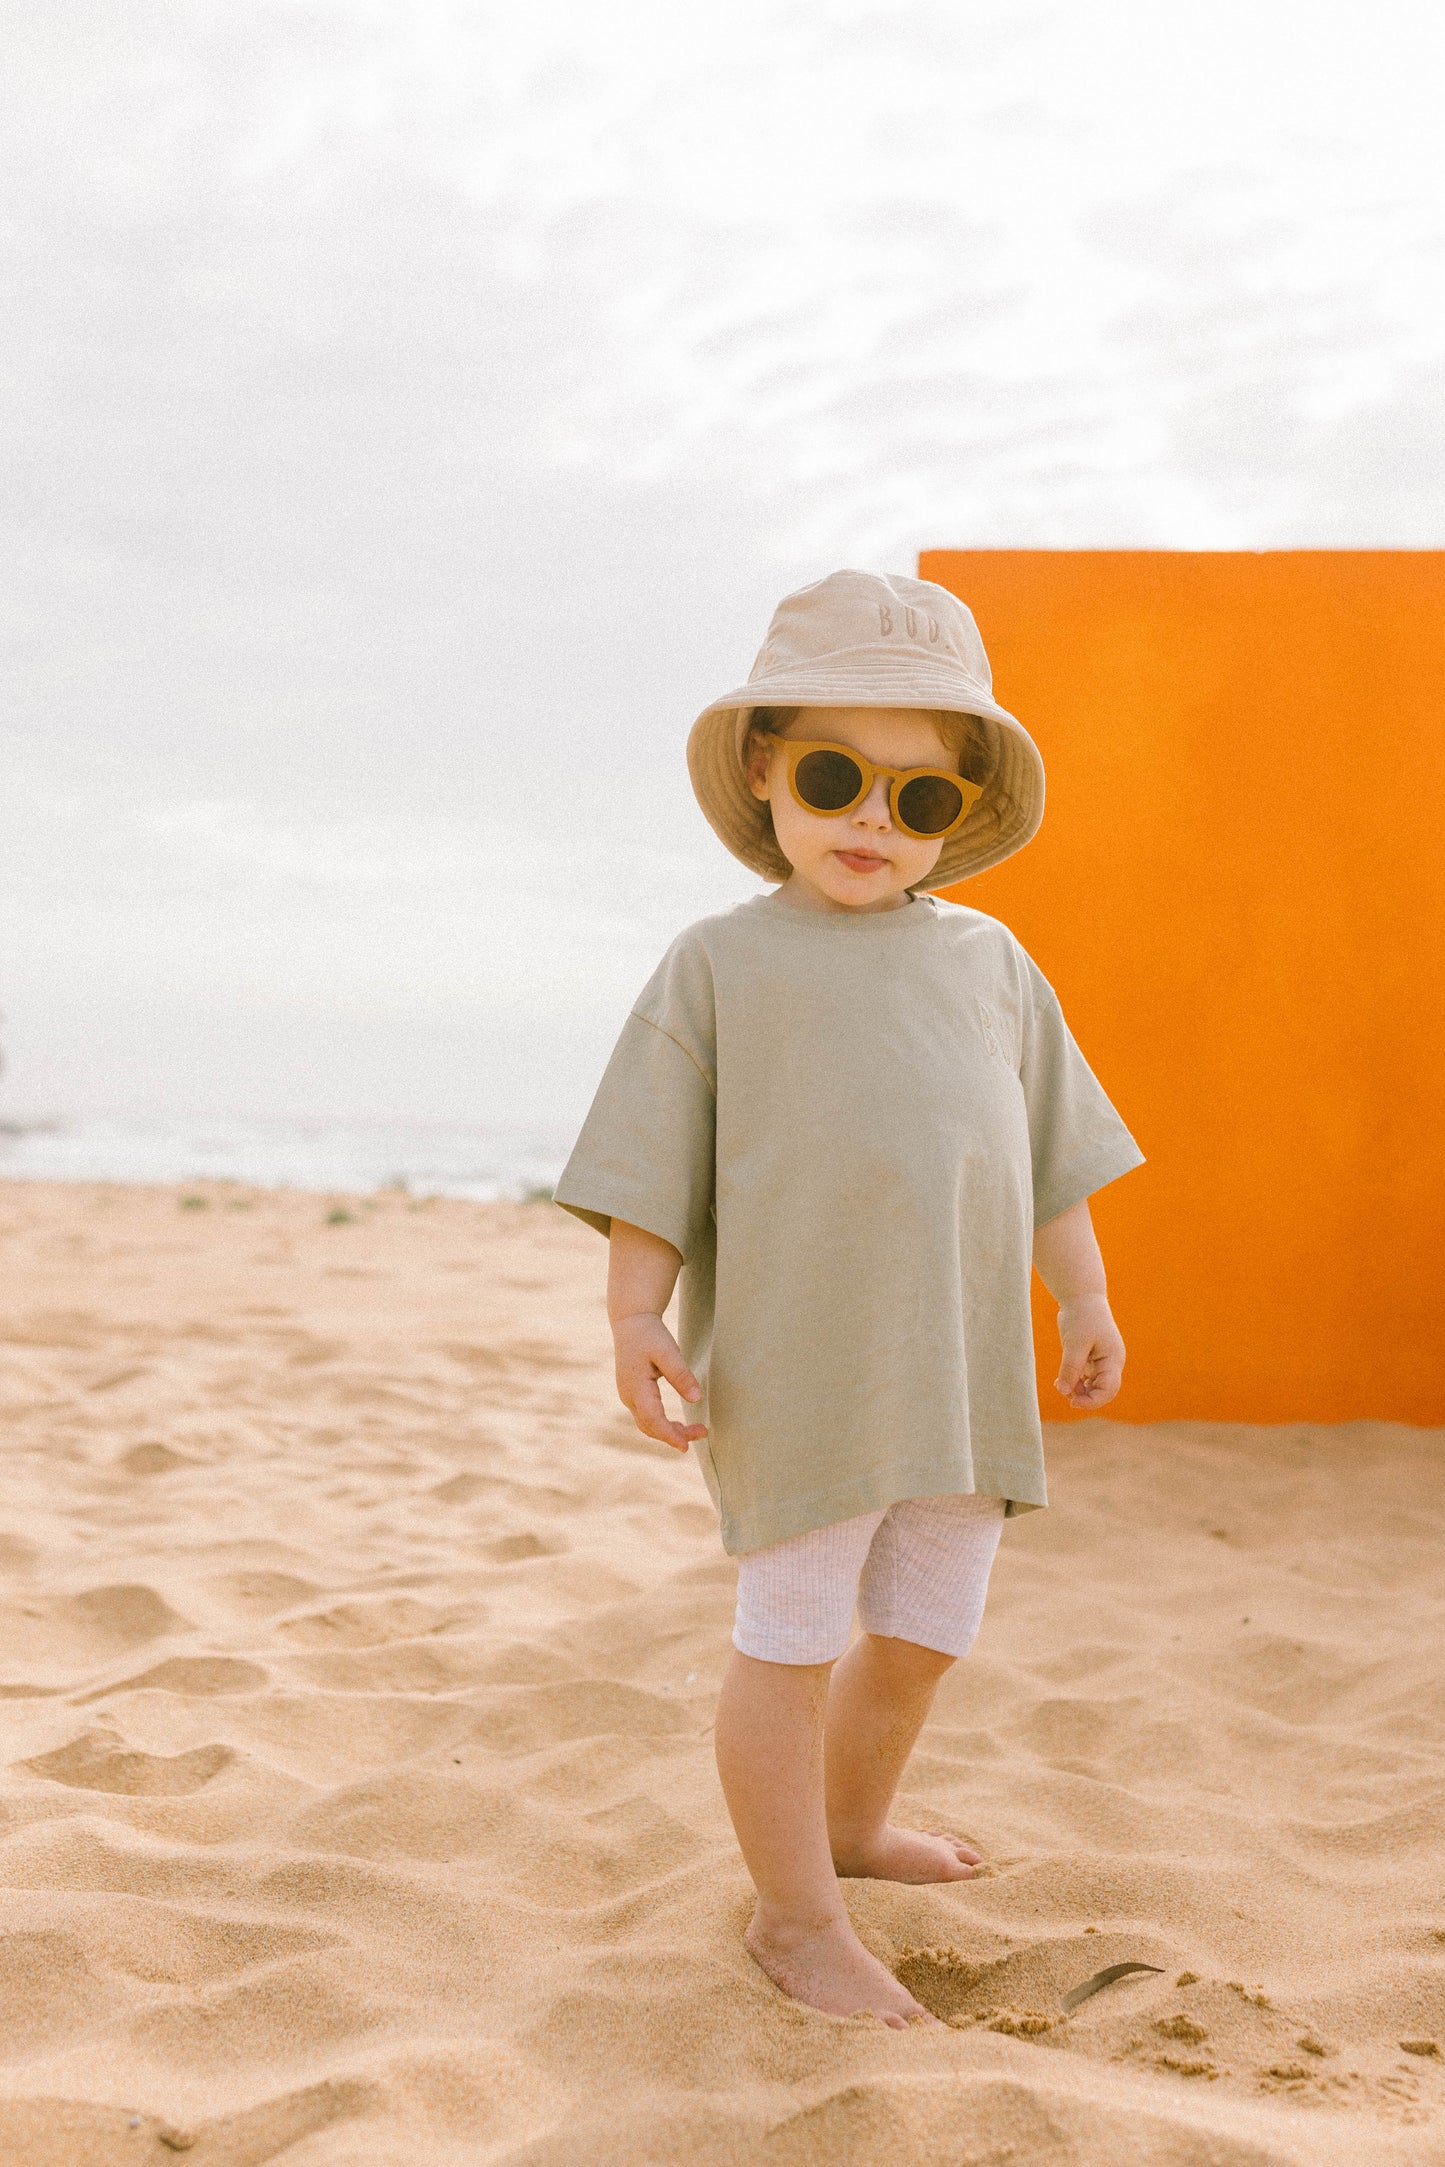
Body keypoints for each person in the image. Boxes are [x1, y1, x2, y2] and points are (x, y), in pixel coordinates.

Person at [554, 568, 1144, 2026]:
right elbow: (651, 1166)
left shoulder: (991, 965)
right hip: (805, 1377)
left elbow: (1050, 1155)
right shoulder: (719, 965)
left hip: (955, 1379)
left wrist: (1082, 1300)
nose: (872, 821)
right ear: (766, 774)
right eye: (834, 778)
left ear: (956, 810)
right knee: (792, 1637)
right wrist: (636, 1319)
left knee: (929, 1626)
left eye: (916, 798)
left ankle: (851, 1826)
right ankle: (792, 1916)